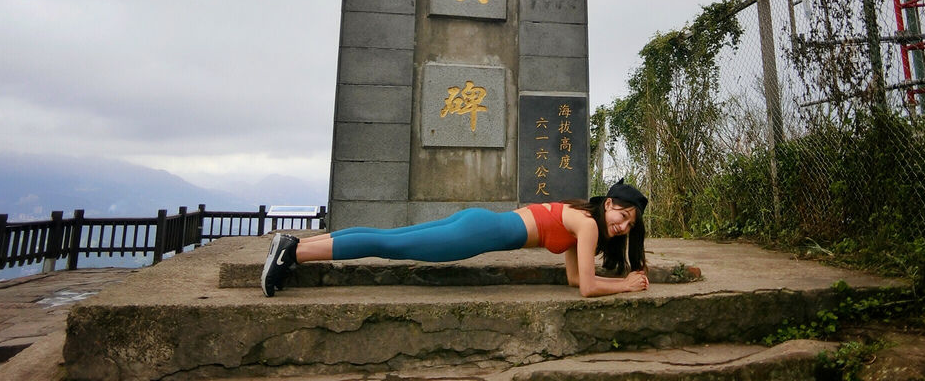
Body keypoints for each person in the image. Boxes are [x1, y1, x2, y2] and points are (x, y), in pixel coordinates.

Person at [261, 179, 649, 299]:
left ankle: (296, 246)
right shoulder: (589, 225)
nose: (623, 226)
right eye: (624, 216)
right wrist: (627, 285)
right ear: (610, 203)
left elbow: (575, 280)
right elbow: (589, 289)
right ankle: (294, 252)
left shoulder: (580, 218)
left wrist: (611, 279)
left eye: (629, 226)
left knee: (387, 237)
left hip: (478, 223)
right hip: (475, 234)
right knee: (388, 245)